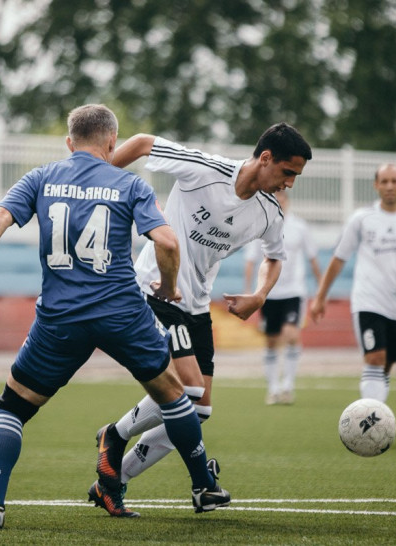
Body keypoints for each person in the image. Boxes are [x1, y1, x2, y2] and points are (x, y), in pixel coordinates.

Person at [0, 104, 230, 530]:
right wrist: (168, 287)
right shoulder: (130, 184)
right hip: (123, 315)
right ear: (112, 141)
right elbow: (167, 242)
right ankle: (203, 486)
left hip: (61, 318)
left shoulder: (41, 177)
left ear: (69, 143)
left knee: (12, 407)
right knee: (174, 396)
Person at [88, 123, 312, 513]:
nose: (289, 183)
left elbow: (274, 257)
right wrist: (96, 181)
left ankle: (113, 478)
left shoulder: (269, 212)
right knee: (188, 389)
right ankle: (138, 449)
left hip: (195, 305)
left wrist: (259, 295)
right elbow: (142, 143)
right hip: (157, 290)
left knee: (199, 410)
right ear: (265, 158)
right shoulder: (205, 169)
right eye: (287, 172)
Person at [309, 163, 396, 402]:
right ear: (376, 185)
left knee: (387, 364)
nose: (389, 186)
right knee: (375, 358)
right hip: (368, 301)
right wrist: (320, 297)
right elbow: (338, 259)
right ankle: (370, 416)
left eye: (394, 181)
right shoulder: (361, 219)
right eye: (384, 181)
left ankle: (375, 414)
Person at [243, 190, 322, 405]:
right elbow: (250, 260)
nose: (279, 202)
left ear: (288, 201)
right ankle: (273, 388)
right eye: (275, 198)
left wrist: (321, 291)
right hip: (268, 292)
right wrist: (249, 291)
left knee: (291, 335)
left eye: (282, 198)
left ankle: (287, 386)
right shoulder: (260, 226)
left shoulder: (299, 227)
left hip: (294, 291)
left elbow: (313, 258)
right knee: (271, 341)